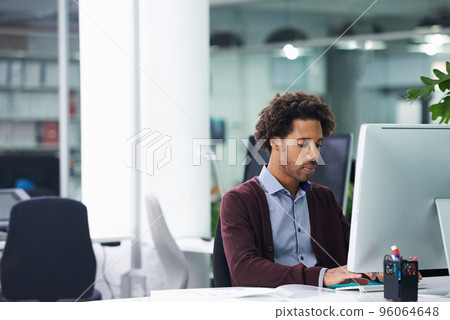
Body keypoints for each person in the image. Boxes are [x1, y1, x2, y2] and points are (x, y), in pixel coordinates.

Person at [220, 91, 376, 288]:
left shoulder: (324, 198)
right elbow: (244, 271)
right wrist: (321, 276)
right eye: (303, 145)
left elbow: (355, 254)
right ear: (275, 142)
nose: (314, 155)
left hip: (326, 305)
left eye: (318, 145)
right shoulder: (239, 201)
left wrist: (374, 265)